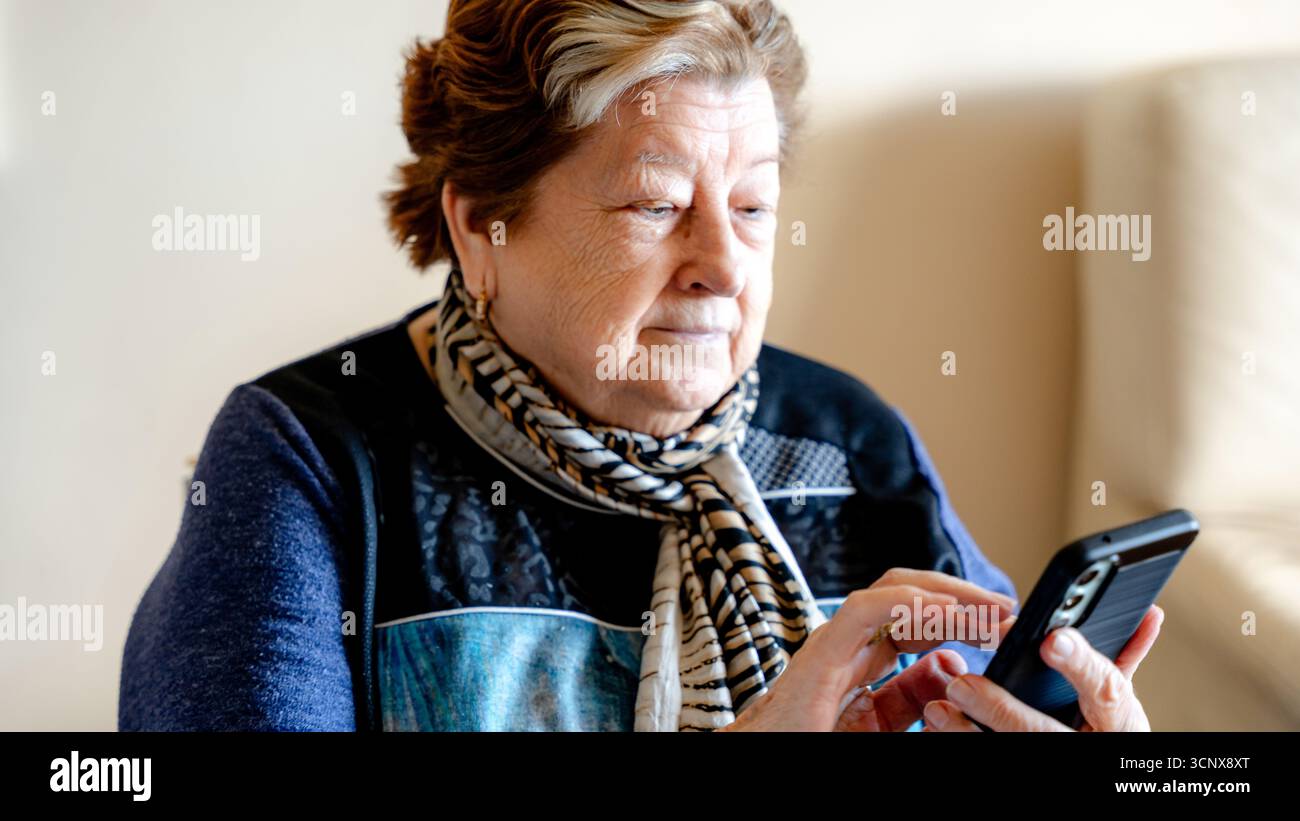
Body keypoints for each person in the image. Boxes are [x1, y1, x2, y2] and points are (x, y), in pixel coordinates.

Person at [119, 0, 1163, 732]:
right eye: (655, 206)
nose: (721, 264)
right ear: (482, 223)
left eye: (751, 206)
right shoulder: (306, 457)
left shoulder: (849, 439)